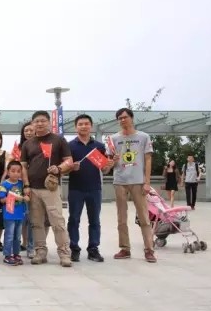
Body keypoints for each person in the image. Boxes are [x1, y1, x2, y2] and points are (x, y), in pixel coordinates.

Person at [20, 110, 73, 267]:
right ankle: (40, 252)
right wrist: (26, 185)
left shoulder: (58, 140)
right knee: (36, 223)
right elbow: (23, 167)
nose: (40, 123)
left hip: (51, 188)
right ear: (33, 123)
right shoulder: (27, 144)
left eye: (43, 121)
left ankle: (64, 253)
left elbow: (69, 161)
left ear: (49, 122)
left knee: (57, 221)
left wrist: (59, 168)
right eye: (37, 121)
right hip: (33, 189)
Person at [106, 108, 156, 263]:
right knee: (121, 218)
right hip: (120, 181)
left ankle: (149, 250)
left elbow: (148, 159)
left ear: (132, 118)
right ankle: (125, 248)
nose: (122, 120)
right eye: (119, 118)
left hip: (138, 182)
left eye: (125, 117)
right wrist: (112, 160)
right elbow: (108, 163)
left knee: (144, 217)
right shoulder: (113, 138)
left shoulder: (143, 137)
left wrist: (147, 182)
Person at [67, 114, 112, 263]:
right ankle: (74, 248)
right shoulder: (70, 146)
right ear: (76, 127)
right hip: (75, 188)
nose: (84, 126)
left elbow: (104, 169)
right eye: (80, 124)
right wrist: (71, 168)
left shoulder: (99, 146)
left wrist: (109, 165)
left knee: (94, 220)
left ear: (91, 126)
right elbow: (65, 168)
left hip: (95, 188)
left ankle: (93, 249)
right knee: (74, 219)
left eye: (86, 124)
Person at [0, 161, 28, 266]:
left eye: (18, 171)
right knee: (9, 235)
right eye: (13, 171)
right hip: (9, 214)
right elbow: (2, 199)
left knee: (17, 237)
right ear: (8, 172)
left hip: (20, 214)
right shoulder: (4, 184)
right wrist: (15, 197)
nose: (16, 173)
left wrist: (26, 197)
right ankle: (7, 255)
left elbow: (26, 195)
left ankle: (16, 254)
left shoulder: (22, 184)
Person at [12, 121, 36, 258]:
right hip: (19, 186)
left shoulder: (40, 147)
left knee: (33, 218)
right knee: (21, 217)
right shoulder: (18, 148)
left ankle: (32, 246)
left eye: (31, 130)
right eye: (26, 130)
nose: (28, 133)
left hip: (36, 185)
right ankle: (22, 243)